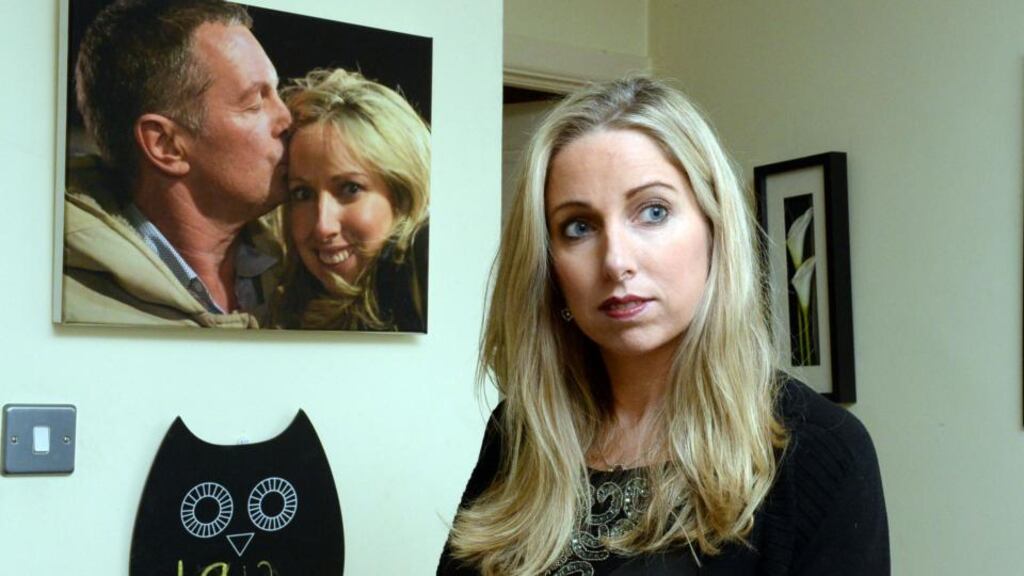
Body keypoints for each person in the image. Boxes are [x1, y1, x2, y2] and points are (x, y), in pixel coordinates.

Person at [438, 77, 888, 575]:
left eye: (653, 212)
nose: (616, 261)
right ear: (549, 263)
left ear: (715, 228)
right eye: (579, 227)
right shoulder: (520, 433)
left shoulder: (820, 451)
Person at [63, 0, 291, 327]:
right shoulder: (71, 309)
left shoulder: (306, 266)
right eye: (255, 102)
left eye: (277, 93)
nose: (287, 118)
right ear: (166, 145)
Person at [270, 69, 430, 332]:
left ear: (402, 193)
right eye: (302, 194)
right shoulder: (286, 303)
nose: (323, 226)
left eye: (350, 188)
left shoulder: (428, 267)